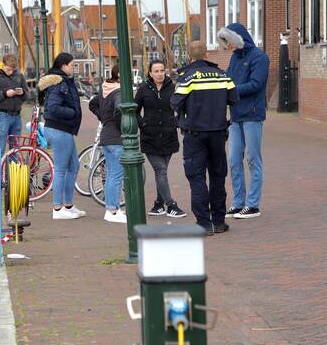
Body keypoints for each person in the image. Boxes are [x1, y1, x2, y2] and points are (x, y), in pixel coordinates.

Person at [171, 41, 238, 235]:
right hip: (218, 133)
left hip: (195, 135)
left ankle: (204, 223)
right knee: (218, 177)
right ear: (206, 54)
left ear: (190, 56)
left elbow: (175, 103)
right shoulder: (222, 75)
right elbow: (234, 99)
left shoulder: (187, 77)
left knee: (197, 177)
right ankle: (219, 221)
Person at [217, 23, 268, 219]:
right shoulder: (234, 58)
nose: (227, 45)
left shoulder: (259, 57)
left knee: (253, 159)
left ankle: (253, 204)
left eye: (228, 41)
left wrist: (229, 91)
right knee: (233, 159)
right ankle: (238, 202)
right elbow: (227, 79)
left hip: (253, 114)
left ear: (237, 38)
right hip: (236, 115)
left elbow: (256, 84)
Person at [136, 58, 186, 218]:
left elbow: (182, 108)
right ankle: (171, 205)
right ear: (150, 73)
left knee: (161, 173)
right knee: (161, 170)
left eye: (162, 70)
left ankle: (158, 205)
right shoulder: (143, 89)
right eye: (156, 71)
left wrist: (176, 123)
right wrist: (142, 124)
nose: (159, 74)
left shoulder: (172, 88)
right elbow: (134, 110)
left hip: (168, 136)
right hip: (150, 137)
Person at [38, 53, 84, 220]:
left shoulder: (61, 80)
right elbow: (52, 107)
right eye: (72, 65)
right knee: (61, 169)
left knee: (74, 166)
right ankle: (57, 209)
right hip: (59, 130)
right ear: (63, 65)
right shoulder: (59, 82)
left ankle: (68, 205)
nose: (73, 67)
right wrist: (72, 113)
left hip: (64, 130)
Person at [88, 65, 127, 223]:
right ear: (120, 76)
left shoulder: (106, 89)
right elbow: (119, 109)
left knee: (112, 174)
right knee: (116, 175)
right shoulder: (118, 91)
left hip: (106, 136)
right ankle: (112, 210)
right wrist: (121, 125)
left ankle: (111, 209)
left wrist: (104, 118)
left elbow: (92, 104)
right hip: (116, 138)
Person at [0, 54, 28, 157]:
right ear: (3, 65)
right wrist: (5, 94)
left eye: (13, 70)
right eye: (8, 69)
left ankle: (12, 173)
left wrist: (22, 93)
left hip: (17, 116)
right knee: (1, 147)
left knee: (15, 149)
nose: (11, 72)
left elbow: (27, 95)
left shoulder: (19, 76)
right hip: (2, 115)